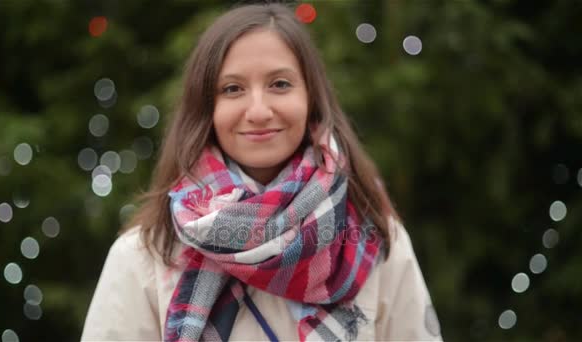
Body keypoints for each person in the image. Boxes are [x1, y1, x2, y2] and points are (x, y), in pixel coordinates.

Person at [81, 3, 442, 341]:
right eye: (233, 89)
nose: (258, 110)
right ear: (206, 108)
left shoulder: (375, 238)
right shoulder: (146, 252)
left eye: (279, 84)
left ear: (311, 98)